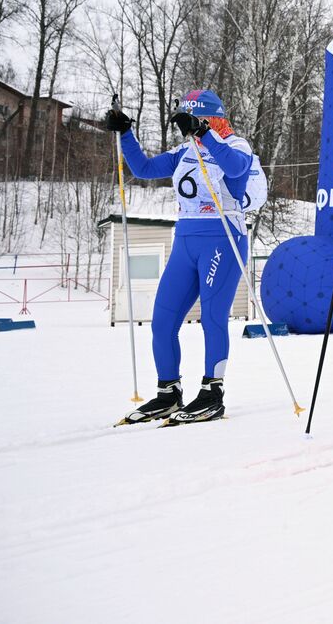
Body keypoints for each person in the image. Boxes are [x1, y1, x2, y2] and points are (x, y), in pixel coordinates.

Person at [107, 90, 261, 425]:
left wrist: (206, 134)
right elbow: (144, 168)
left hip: (222, 238)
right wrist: (126, 133)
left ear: (210, 119)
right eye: (186, 123)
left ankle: (212, 391)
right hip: (186, 241)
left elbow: (236, 170)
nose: (188, 129)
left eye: (193, 121)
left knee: (213, 317)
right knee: (162, 320)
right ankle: (168, 392)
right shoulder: (184, 152)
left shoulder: (237, 146)